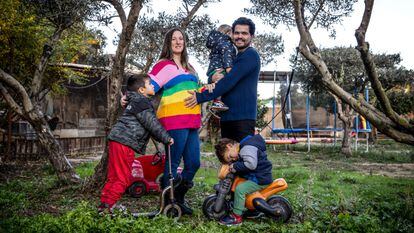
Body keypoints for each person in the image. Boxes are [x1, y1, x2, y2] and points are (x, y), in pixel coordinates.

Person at [99, 73, 173, 214]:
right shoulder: (142, 102)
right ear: (141, 90)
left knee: (114, 176)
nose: (152, 85)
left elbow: (147, 126)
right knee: (122, 178)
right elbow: (151, 124)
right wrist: (167, 138)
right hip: (124, 143)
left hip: (117, 140)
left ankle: (105, 204)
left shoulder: (135, 101)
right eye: (150, 84)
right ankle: (108, 208)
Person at [148, 27, 202, 215]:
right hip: (174, 121)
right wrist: (129, 95)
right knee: (172, 164)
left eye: (181, 39)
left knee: (194, 163)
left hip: (192, 122)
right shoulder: (163, 65)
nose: (178, 42)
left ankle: (177, 197)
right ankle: (166, 203)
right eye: (174, 39)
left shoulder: (190, 68)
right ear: (168, 43)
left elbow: (197, 93)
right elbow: (149, 86)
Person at [185, 17, 260, 142]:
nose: (239, 36)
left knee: (244, 158)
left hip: (242, 119)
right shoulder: (233, 57)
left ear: (252, 36)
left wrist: (200, 97)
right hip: (226, 117)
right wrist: (211, 78)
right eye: (237, 33)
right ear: (231, 34)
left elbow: (229, 80)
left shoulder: (250, 55)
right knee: (227, 159)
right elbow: (221, 76)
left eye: (244, 33)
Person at [214, 134, 273, 226]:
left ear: (229, 146)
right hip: (257, 176)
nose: (233, 159)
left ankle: (236, 217)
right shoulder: (243, 147)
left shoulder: (246, 148)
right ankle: (252, 210)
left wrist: (235, 166)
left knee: (240, 189)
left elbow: (251, 165)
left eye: (230, 157)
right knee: (240, 183)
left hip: (260, 178)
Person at [206, 24, 237, 111]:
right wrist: (229, 69)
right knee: (221, 81)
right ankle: (217, 101)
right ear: (228, 33)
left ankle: (217, 100)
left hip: (213, 68)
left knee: (217, 83)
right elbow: (227, 57)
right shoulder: (226, 44)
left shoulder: (216, 43)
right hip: (220, 68)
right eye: (233, 33)